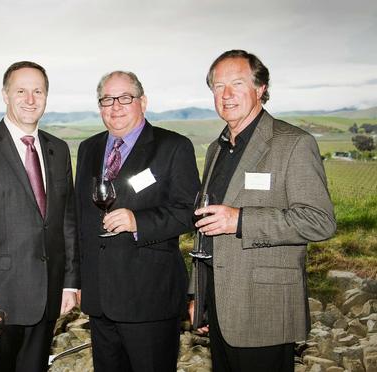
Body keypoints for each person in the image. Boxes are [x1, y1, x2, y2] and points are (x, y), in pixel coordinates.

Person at [188, 49, 336, 372]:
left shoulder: (293, 143)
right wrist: (199, 296)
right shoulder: (216, 148)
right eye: (217, 86)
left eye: (236, 84)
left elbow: (320, 221)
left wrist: (239, 220)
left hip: (264, 310)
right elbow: (206, 225)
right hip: (219, 306)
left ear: (260, 88)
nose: (225, 95)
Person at [0, 61, 79, 372]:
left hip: (48, 297)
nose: (30, 99)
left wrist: (70, 283)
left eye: (38, 91)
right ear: (6, 95)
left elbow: (66, 222)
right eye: (21, 91)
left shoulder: (57, 150)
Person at [75, 70, 200, 371]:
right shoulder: (88, 148)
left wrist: (138, 221)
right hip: (100, 298)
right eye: (107, 99)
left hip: (149, 298)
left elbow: (188, 211)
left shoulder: (173, 147)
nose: (115, 106)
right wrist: (77, 279)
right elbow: (78, 217)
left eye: (125, 98)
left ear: (142, 102)